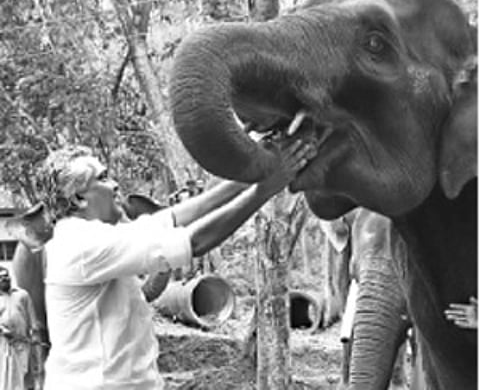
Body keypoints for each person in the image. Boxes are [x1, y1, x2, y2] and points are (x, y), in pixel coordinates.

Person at [36, 138, 315, 390]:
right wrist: (263, 191)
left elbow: (173, 218)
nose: (114, 184)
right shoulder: (82, 244)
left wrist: (252, 175)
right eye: (103, 178)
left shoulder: (91, 235)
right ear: (78, 198)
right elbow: (194, 242)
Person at [0, 266, 43, 390]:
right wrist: (3, 330)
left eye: (6, 276)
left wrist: (34, 335)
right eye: (1, 277)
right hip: (5, 344)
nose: (4, 279)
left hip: (24, 342)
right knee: (7, 376)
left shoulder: (22, 295)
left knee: (27, 374)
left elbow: (32, 318)